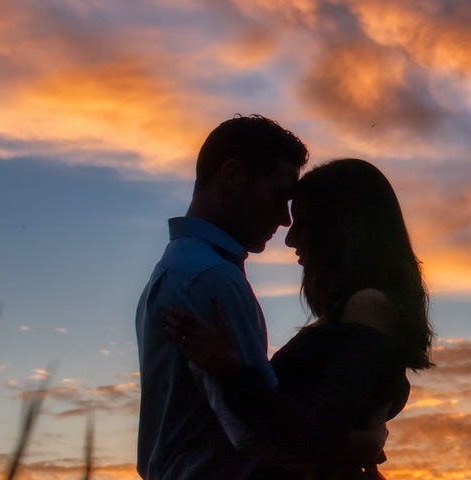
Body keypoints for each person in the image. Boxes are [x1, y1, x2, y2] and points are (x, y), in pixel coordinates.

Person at [163, 158, 435, 479]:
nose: (290, 240)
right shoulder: (350, 311)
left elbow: (314, 430)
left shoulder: (369, 305)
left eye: (303, 223)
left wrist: (230, 370)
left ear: (340, 228)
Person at [135, 115, 316, 479]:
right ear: (232, 176)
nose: (285, 220)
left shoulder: (178, 268)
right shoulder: (211, 279)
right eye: (278, 196)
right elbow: (257, 430)